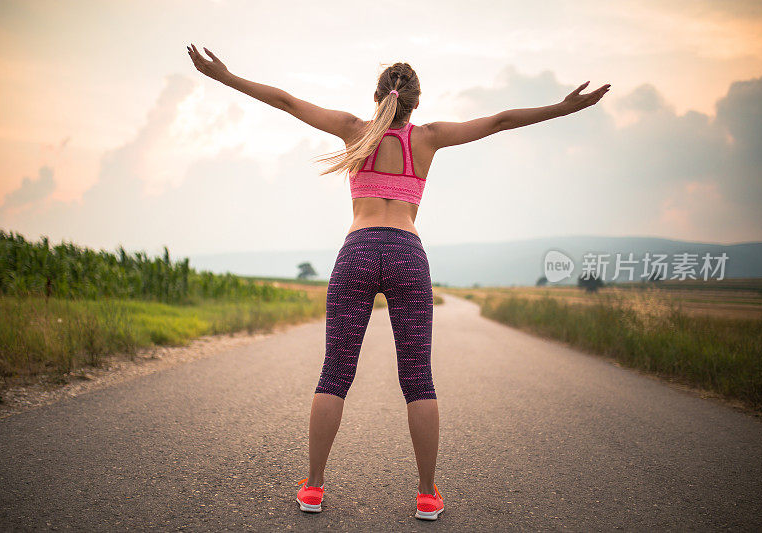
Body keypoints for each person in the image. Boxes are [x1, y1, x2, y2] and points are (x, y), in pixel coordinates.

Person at [187, 43, 610, 521]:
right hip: (407, 255)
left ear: (377, 97)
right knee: (418, 380)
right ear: (415, 102)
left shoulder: (354, 130)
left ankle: (313, 487)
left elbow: (286, 101)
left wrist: (225, 77)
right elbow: (500, 121)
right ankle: (427, 493)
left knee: (334, 373)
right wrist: (563, 108)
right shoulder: (427, 138)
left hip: (359, 251)